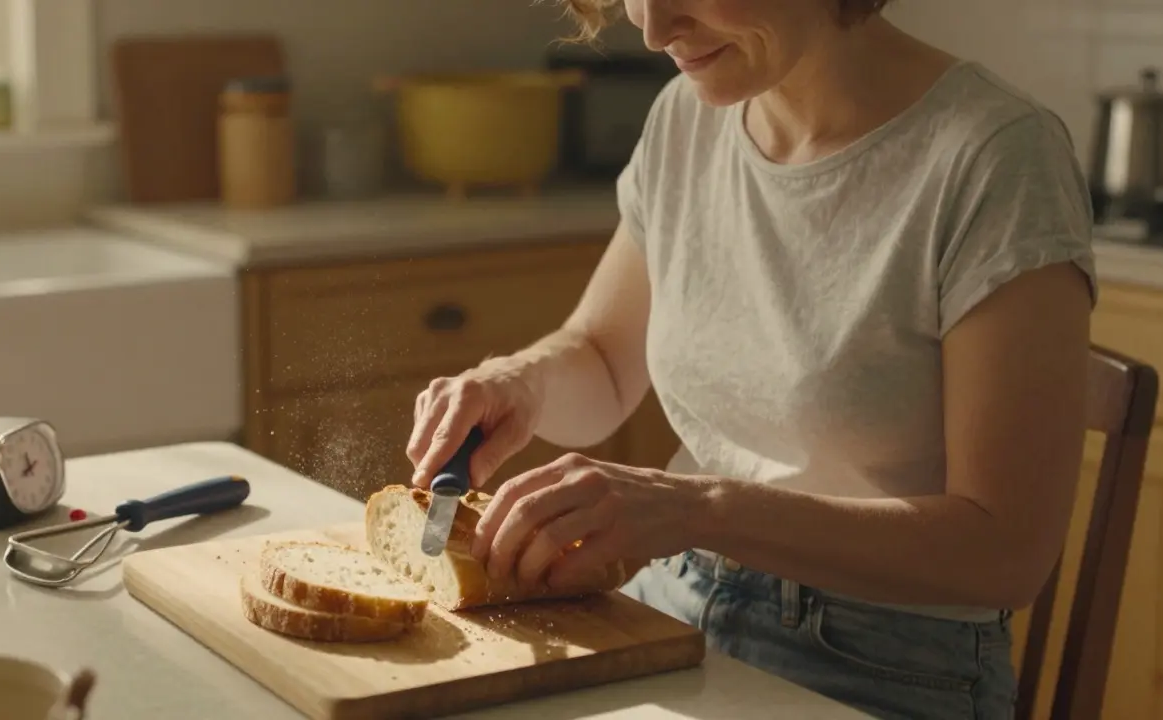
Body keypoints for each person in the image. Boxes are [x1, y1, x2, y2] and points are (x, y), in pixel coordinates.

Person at [405, 1, 1095, 718]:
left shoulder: (997, 156)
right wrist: (522, 382)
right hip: (667, 607)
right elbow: (605, 361)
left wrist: (700, 507)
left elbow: (1006, 553)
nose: (652, 28)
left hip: (888, 663)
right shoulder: (686, 117)